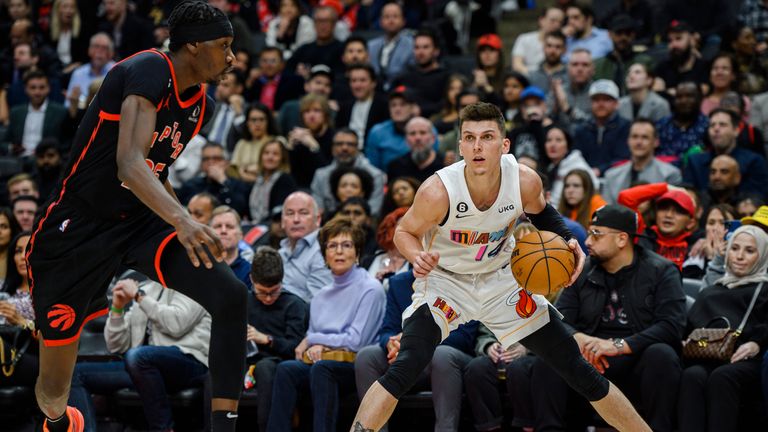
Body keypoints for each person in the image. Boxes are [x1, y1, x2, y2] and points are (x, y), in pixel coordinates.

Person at [350, 102, 651, 431]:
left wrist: (567, 239)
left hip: (500, 280)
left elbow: (543, 213)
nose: (478, 146)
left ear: (504, 144)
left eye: (487, 136)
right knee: (407, 364)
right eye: (469, 138)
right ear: (460, 145)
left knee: (576, 366)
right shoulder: (437, 191)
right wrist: (415, 256)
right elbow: (404, 231)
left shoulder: (523, 180)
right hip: (446, 281)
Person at [25, 3, 248, 431]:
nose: (232, 57)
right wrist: (183, 219)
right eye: (223, 46)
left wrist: (181, 220)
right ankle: (57, 421)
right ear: (193, 46)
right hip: (78, 227)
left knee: (231, 295)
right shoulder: (150, 68)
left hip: (139, 220)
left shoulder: (202, 106)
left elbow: (154, 173)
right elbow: (129, 163)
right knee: (55, 381)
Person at [531, 204, 685, 432]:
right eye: (589, 232)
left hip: (635, 357)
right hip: (589, 358)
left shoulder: (661, 271)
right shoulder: (582, 270)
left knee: (662, 355)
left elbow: (671, 326)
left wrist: (619, 346)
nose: (588, 242)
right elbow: (560, 318)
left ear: (622, 239)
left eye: (596, 234)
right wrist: (580, 339)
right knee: (548, 358)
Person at [268, 217, 385, 432]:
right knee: (286, 370)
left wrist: (314, 340)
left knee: (322, 370)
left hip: (356, 367)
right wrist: (315, 344)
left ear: (357, 253)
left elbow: (356, 342)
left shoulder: (371, 289)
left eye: (347, 245)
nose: (339, 251)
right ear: (324, 255)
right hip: (324, 363)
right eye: (332, 246)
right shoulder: (320, 296)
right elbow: (312, 342)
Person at [354, 269, 481, 432]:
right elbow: (387, 330)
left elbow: (465, 338)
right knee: (367, 356)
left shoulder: (462, 280)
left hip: (443, 360)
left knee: (442, 356)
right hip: (404, 357)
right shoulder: (398, 282)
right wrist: (392, 344)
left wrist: (413, 342)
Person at [679, 225, 768, 432]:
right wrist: (687, 342)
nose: (739, 256)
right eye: (735, 248)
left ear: (762, 255)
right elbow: (689, 328)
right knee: (692, 376)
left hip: (746, 358)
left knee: (723, 377)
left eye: (749, 251)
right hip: (708, 356)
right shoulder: (713, 289)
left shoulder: (764, 289)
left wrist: (757, 343)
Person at [245, 246, 308, 432]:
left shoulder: (294, 304)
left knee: (266, 368)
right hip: (246, 361)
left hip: (278, 363)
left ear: (282, 281)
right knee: (213, 374)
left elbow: (295, 348)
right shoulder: (244, 302)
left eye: (274, 291)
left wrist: (267, 339)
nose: (268, 298)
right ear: (251, 280)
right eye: (262, 292)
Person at [602, 119, 682, 204]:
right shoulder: (611, 176)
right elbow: (607, 212)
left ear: (655, 142)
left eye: (645, 137)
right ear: (628, 140)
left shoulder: (670, 174)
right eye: (634, 137)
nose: (639, 142)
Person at [278, 191, 332, 302]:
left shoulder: (325, 250)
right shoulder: (280, 253)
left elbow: (319, 303)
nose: (296, 219)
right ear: (283, 221)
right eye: (290, 213)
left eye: (303, 213)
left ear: (318, 220)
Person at [0, 232, 38, 387]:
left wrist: (22, 322)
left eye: (29, 249)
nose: (23, 256)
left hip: (29, 357)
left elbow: (53, 341)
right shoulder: (3, 289)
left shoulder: (50, 295)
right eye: (18, 251)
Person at [544, 125, 597, 208]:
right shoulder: (551, 167)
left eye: (558, 140)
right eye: (549, 140)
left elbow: (594, 188)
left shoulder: (578, 166)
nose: (552, 144)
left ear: (568, 145)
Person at [248, 138, 297, 224]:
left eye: (275, 154)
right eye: (266, 153)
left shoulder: (285, 180)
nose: (270, 157)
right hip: (255, 225)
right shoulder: (258, 180)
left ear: (282, 158)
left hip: (274, 227)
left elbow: (279, 212)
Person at [511, 6, 565, 75]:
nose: (557, 25)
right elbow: (517, 65)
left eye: (560, 22)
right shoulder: (524, 39)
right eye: (553, 20)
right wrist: (535, 77)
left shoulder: (562, 43)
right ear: (541, 20)